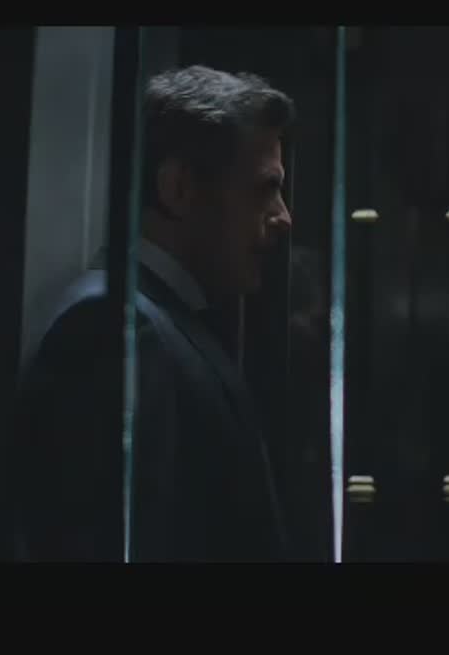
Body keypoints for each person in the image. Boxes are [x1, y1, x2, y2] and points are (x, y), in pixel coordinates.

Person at [15, 65, 295, 561]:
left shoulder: (155, 322)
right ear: (179, 188)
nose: (282, 217)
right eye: (262, 188)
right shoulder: (116, 328)